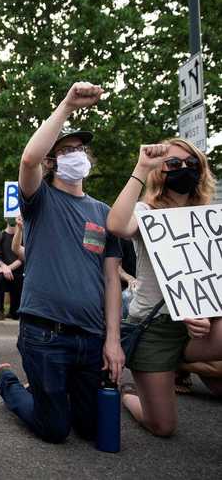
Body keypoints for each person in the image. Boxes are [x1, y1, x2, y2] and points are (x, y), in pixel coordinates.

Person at [0, 81, 124, 444]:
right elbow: (28, 159)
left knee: (93, 428)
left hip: (91, 338)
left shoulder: (105, 213)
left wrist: (112, 341)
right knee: (55, 429)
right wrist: (67, 104)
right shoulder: (40, 200)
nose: (76, 154)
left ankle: (51, 388)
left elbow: (112, 280)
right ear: (52, 162)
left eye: (80, 148)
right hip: (45, 334)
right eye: (66, 150)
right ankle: (8, 382)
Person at [106, 138, 222, 436]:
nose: (183, 169)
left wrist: (206, 312)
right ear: (161, 170)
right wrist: (141, 166)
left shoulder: (210, 218)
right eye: (173, 164)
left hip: (199, 326)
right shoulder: (147, 212)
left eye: (191, 164)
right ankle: (129, 394)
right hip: (153, 327)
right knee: (162, 426)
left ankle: (185, 365)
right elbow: (117, 225)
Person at [0, 218, 23, 320]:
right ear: (5, 218)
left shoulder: (24, 236)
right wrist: (4, 267)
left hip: (19, 274)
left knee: (15, 315)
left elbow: (22, 258)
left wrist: (8, 268)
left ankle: (14, 310)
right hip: (3, 274)